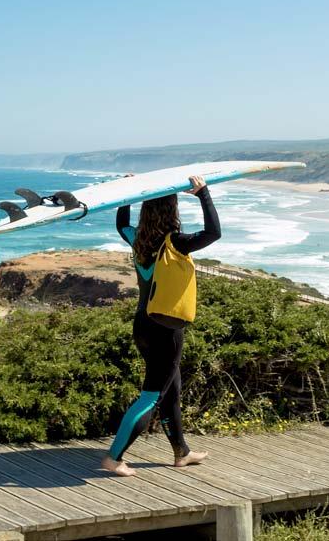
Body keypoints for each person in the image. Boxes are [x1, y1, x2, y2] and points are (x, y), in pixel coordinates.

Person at [102, 175, 221, 477]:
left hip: (142, 325)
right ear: (172, 210)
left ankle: (181, 452)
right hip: (165, 330)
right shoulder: (177, 243)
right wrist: (203, 194)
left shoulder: (137, 238)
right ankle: (114, 457)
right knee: (152, 395)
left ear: (146, 211)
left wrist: (127, 194)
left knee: (171, 390)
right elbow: (213, 232)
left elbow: (120, 224)